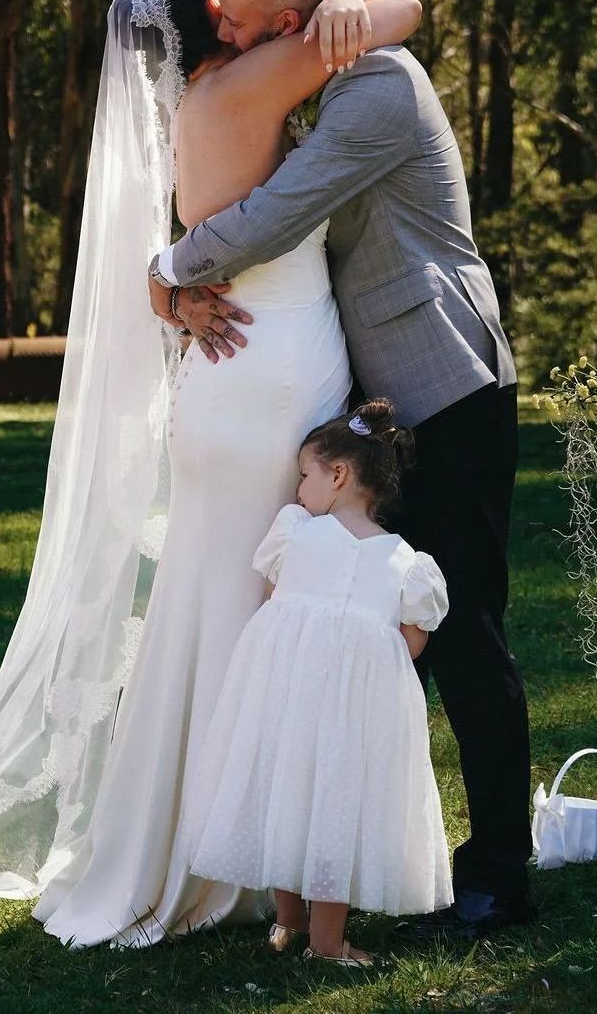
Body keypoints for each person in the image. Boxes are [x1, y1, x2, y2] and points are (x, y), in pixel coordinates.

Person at [149, 0, 534, 940]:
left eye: (240, 19)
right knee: (367, 634)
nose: (228, 35)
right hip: (382, 395)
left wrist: (166, 271)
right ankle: (352, 859)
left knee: (462, 629)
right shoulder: (332, 67)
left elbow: (282, 210)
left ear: (289, 22)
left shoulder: (378, 92)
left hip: (447, 384)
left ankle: (498, 875)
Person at [34, 0, 423, 947]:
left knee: (206, 615)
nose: (239, 18)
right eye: (227, 6)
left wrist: (166, 293)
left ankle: (183, 844)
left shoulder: (194, 108)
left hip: (221, 389)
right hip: (272, 377)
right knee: (255, 621)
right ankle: (231, 859)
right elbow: (404, 10)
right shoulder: (247, 85)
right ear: (211, 17)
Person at [186, 400, 451, 967]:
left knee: (286, 794)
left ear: (338, 475)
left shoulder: (297, 533)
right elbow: (411, 642)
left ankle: (290, 924)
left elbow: (273, 600)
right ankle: (325, 941)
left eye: (304, 475)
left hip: (289, 697)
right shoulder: (407, 563)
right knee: (338, 810)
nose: (297, 488)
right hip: (355, 714)